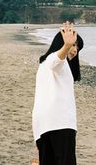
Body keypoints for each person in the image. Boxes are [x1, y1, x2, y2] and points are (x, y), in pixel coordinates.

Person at [32, 21, 84, 165]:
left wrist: (68, 46)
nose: (76, 49)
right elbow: (55, 62)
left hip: (43, 124)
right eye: (74, 44)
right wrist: (67, 45)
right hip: (60, 122)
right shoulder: (55, 61)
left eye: (77, 46)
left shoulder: (44, 65)